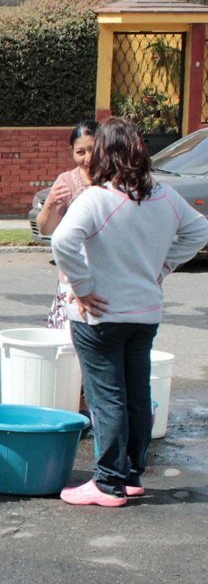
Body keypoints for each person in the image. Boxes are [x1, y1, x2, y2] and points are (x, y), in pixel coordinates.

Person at [51, 117, 208, 508]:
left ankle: (107, 482)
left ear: (104, 153)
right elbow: (199, 231)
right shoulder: (164, 196)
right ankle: (130, 475)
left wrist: (83, 288)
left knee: (107, 399)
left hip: (100, 318)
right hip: (144, 316)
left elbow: (62, 241)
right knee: (136, 395)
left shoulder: (97, 197)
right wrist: (163, 267)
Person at [37, 121, 97, 329]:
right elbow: (46, 229)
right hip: (73, 281)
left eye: (92, 149)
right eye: (80, 152)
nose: (87, 158)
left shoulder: (115, 180)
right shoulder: (66, 182)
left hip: (107, 280)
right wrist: (51, 203)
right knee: (68, 346)